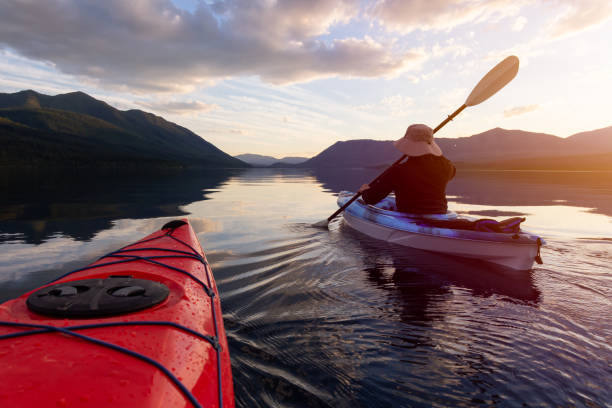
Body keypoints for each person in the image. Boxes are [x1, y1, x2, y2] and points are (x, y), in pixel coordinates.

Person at [358, 124, 456, 214]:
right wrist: (432, 150)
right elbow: (451, 171)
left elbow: (370, 199)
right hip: (440, 214)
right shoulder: (446, 167)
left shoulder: (398, 171)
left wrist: (364, 191)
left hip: (409, 216)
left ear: (408, 144)